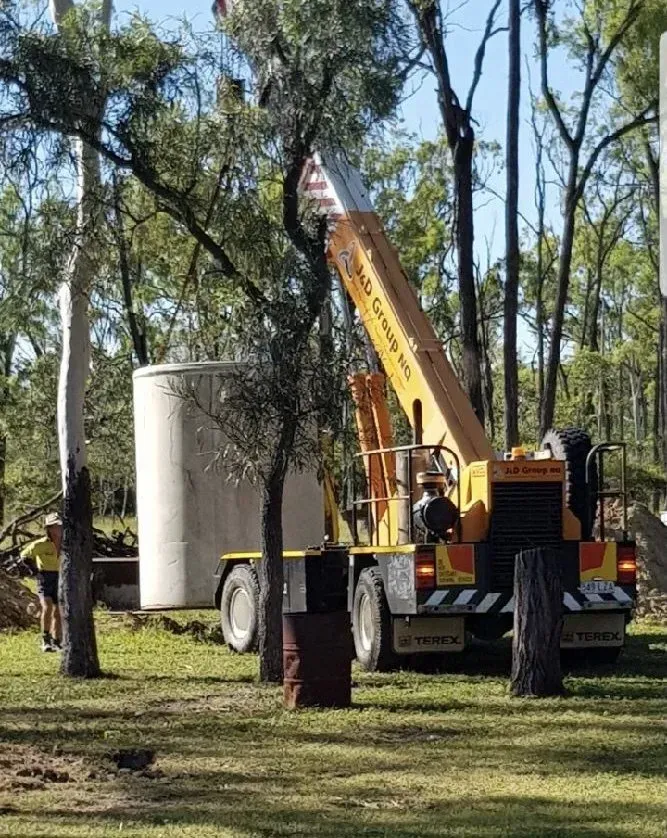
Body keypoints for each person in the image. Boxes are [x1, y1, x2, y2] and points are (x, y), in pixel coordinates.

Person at [21, 513, 63, 652]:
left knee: (58, 610)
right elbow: (24, 555)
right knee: (48, 606)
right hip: (45, 577)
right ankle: (46, 640)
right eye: (55, 526)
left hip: (61, 577)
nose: (58, 529)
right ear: (49, 528)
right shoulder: (41, 544)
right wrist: (35, 571)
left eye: (59, 526)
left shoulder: (67, 545)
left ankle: (57, 641)